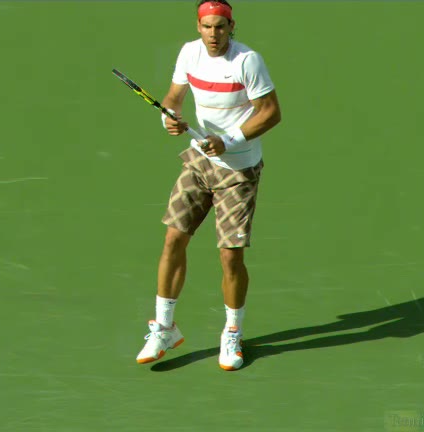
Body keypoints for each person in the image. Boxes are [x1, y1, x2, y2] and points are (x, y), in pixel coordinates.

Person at [136, 0, 281, 371]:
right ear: (198, 27)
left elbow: (270, 113)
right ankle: (164, 327)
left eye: (220, 27)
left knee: (230, 256)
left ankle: (232, 332)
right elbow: (173, 98)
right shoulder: (189, 54)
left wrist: (229, 140)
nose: (213, 34)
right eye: (207, 27)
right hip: (200, 161)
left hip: (238, 170)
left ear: (231, 27)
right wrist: (170, 117)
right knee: (173, 238)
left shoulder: (247, 61)